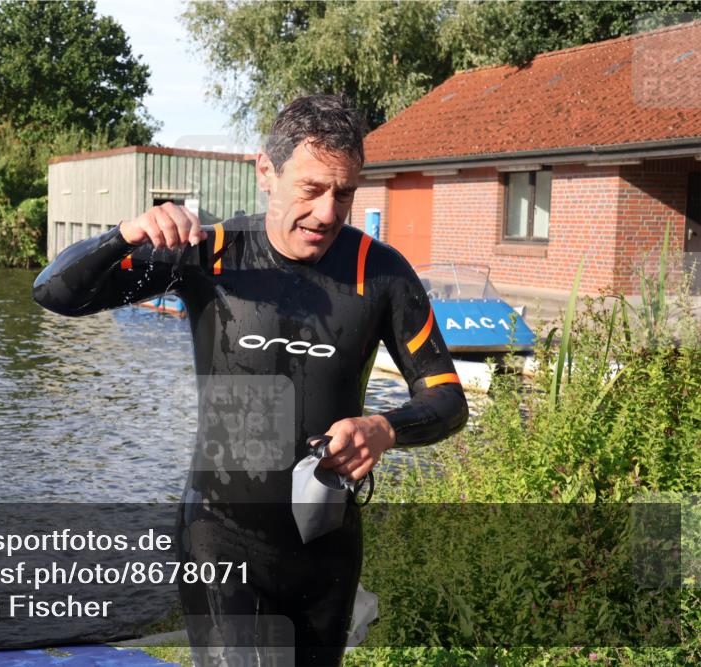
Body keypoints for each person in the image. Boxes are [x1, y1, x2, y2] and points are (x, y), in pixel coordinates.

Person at [33, 95, 468, 666]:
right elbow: (55, 294)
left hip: (325, 542)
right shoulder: (209, 254)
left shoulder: (382, 274)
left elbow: (447, 400)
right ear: (266, 171)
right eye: (312, 189)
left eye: (345, 193)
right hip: (220, 532)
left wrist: (384, 428)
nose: (328, 212)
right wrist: (123, 237)